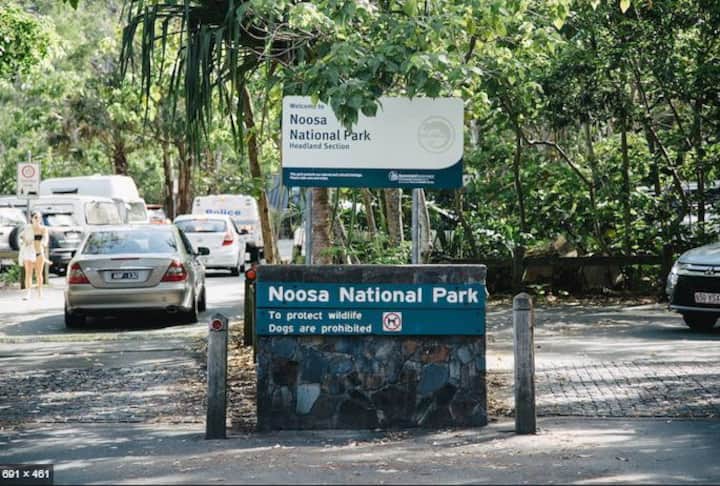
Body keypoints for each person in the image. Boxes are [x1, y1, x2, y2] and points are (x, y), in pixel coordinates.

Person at [18, 211, 49, 300]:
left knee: (39, 274)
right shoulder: (28, 228)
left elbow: (46, 240)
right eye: (35, 217)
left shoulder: (43, 229)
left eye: (39, 217)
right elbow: (20, 236)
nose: (38, 219)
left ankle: (40, 293)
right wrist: (25, 241)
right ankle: (28, 293)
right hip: (28, 252)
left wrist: (43, 243)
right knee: (28, 273)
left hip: (39, 253)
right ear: (32, 219)